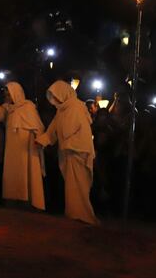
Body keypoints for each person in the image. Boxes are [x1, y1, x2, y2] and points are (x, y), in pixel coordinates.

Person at [36, 80, 99, 225]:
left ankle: (83, 216)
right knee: (71, 187)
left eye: (56, 96)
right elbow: (53, 130)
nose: (55, 100)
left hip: (79, 153)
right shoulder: (61, 110)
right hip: (69, 154)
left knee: (80, 187)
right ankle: (74, 215)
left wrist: (69, 144)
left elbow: (77, 131)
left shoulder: (76, 107)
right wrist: (42, 140)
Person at [0, 81, 46, 210]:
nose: (7, 98)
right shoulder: (7, 108)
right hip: (12, 150)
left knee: (26, 173)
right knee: (12, 174)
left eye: (8, 95)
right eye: (5, 95)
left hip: (25, 149)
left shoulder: (28, 107)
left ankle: (26, 202)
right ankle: (13, 200)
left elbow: (38, 127)